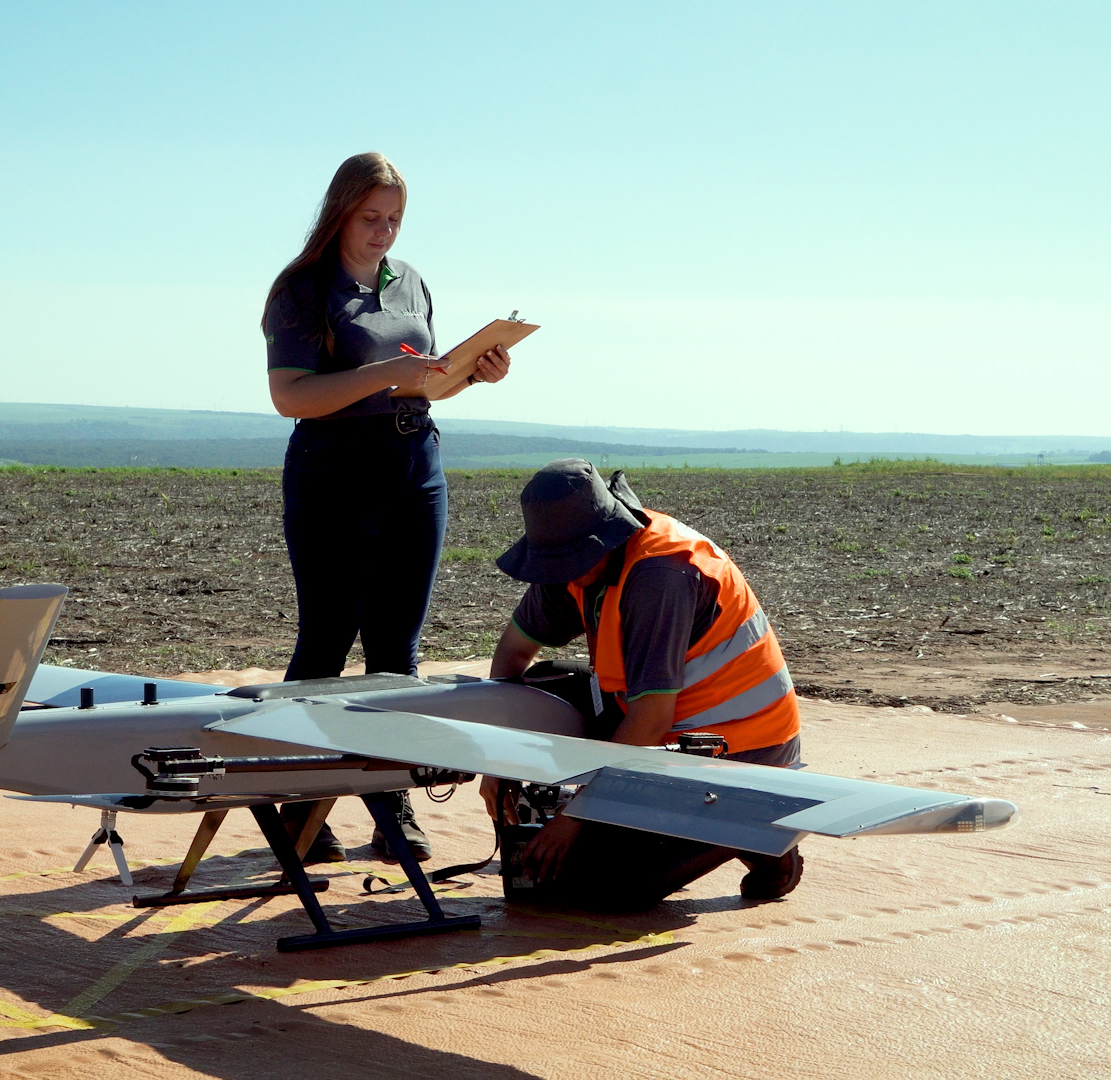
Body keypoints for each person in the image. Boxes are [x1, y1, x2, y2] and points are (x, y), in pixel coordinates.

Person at [263, 152, 511, 863]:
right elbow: (291, 396)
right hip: (334, 471)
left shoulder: (412, 282)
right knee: (327, 642)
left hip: (414, 465)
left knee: (397, 651)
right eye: (372, 218)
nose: (384, 232)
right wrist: (391, 373)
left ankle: (391, 805)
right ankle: (297, 804)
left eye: (395, 220)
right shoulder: (302, 289)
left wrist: (471, 375)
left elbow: (425, 386)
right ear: (340, 212)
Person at [481, 458, 805, 910]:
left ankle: (760, 830)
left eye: (570, 561)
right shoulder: (570, 564)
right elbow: (514, 654)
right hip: (661, 731)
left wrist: (576, 816)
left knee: (608, 887)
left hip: (738, 749)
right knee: (540, 688)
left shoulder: (660, 576)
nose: (562, 573)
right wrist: (500, 759)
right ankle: (651, 828)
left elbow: (651, 719)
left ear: (603, 536)